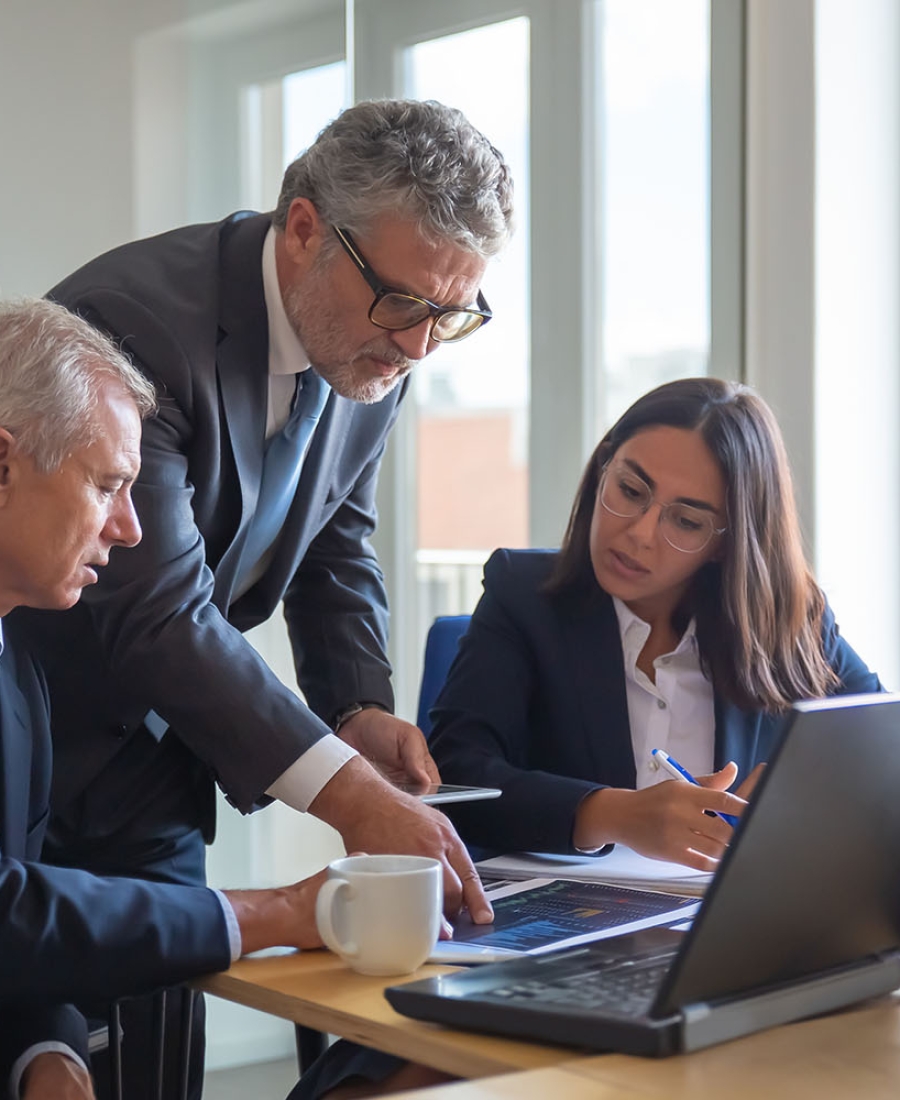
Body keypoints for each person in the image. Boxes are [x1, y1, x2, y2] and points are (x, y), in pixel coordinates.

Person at [11, 99, 511, 1097]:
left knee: (149, 1063)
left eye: (449, 316)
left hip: (158, 765)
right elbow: (159, 611)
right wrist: (351, 796)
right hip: (35, 738)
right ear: (303, 229)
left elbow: (335, 543)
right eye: (405, 304)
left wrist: (357, 707)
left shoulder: (379, 343)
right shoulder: (139, 324)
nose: (418, 347)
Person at [0, 298, 336, 1100]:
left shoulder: (20, 670)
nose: (130, 529)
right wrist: (272, 914)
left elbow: (20, 930)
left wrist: (46, 1054)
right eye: (109, 485)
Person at [429, 377, 882, 863]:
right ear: (603, 467)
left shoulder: (786, 618)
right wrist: (612, 814)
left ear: (726, 543)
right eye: (630, 490)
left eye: (686, 521)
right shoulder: (521, 596)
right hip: (566, 919)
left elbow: (881, 747)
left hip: (723, 921)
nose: (640, 533)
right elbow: (456, 778)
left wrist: (799, 787)